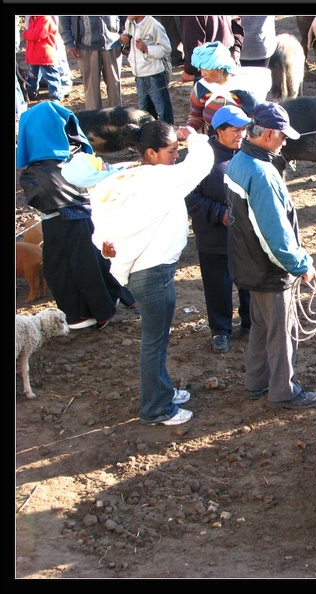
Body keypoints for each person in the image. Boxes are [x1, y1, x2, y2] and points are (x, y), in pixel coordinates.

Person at [61, 120, 214, 426]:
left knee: (156, 340)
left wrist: (113, 249)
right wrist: (194, 138)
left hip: (143, 270)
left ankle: (163, 390)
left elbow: (102, 233)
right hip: (152, 273)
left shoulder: (123, 176)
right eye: (172, 150)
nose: (176, 155)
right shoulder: (156, 179)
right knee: (154, 342)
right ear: (151, 153)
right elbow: (201, 164)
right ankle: (156, 408)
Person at [224, 102, 316, 410]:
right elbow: (275, 234)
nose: (285, 142)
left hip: (247, 263)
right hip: (270, 269)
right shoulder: (262, 173)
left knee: (262, 325)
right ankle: (283, 391)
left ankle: (256, 383)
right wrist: (301, 264)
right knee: (283, 330)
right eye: (282, 136)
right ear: (267, 134)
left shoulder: (239, 160)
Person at [16, 101, 135, 330]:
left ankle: (100, 311)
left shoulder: (64, 158)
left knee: (83, 267)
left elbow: (63, 189)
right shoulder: (52, 160)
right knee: (57, 268)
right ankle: (79, 313)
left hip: (74, 220)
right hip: (59, 221)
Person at [185, 105, 252, 353]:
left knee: (249, 281)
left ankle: (250, 322)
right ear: (219, 130)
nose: (241, 135)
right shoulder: (201, 158)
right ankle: (221, 330)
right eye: (235, 130)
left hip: (245, 237)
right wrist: (218, 213)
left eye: (244, 129)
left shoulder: (248, 154)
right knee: (217, 285)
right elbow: (189, 195)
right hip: (213, 239)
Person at [185, 41, 267, 135]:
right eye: (201, 69)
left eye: (207, 69)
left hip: (240, 142)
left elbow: (258, 119)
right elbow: (196, 116)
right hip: (211, 141)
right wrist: (189, 128)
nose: (203, 73)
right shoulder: (201, 88)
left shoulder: (242, 89)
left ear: (221, 69)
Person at [58, 16, 123, 110]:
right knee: (91, 89)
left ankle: (117, 119)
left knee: (114, 85)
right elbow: (64, 20)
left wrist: (123, 32)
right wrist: (69, 43)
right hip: (86, 45)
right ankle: (94, 121)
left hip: (113, 42)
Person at [121, 15, 175, 125]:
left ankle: (168, 133)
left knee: (162, 108)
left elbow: (166, 48)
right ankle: (150, 134)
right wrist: (123, 39)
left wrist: (147, 48)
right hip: (139, 75)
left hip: (154, 75)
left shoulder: (154, 25)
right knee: (144, 110)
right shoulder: (130, 23)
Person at [180, 16, 243, 83]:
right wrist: (236, 49)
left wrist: (190, 71)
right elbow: (236, 21)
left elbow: (193, 42)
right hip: (228, 60)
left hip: (208, 68)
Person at [22, 15, 64, 103]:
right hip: (35, 55)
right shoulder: (33, 19)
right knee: (33, 76)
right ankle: (31, 92)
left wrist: (25, 34)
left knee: (51, 75)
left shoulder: (45, 18)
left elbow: (38, 34)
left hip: (45, 55)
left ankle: (56, 95)